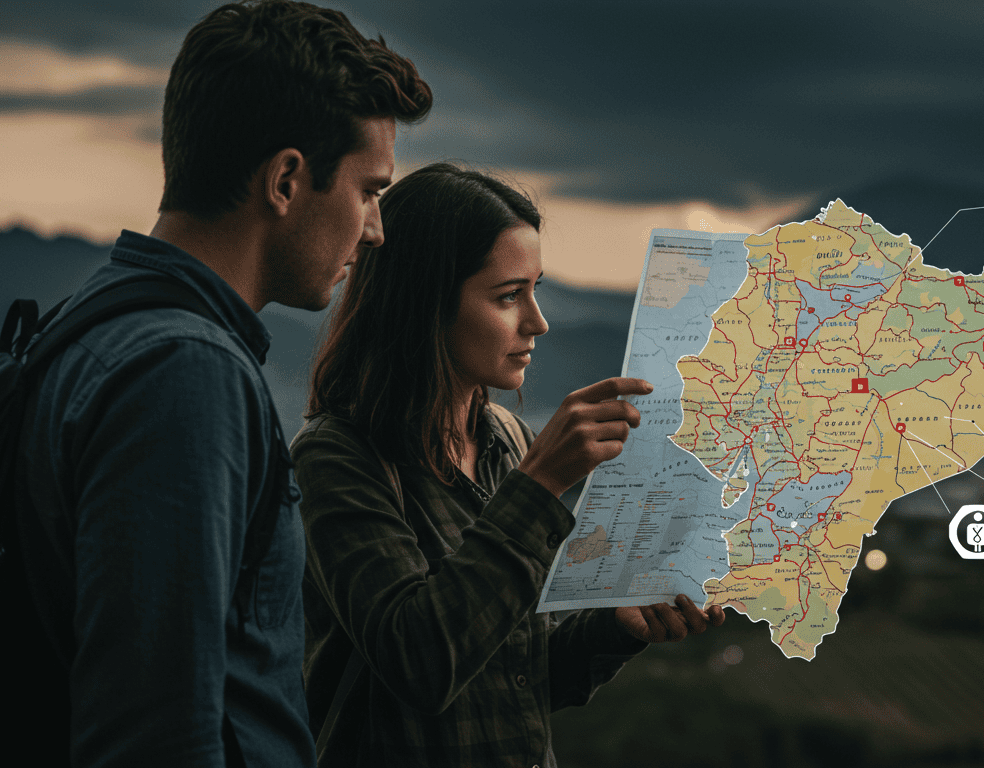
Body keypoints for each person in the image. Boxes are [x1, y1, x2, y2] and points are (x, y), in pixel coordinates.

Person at [14, 1, 431, 764]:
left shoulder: (94, 320)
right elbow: (154, 732)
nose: (375, 229)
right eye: (370, 192)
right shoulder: (183, 377)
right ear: (285, 180)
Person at [293, 162, 726, 767]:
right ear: (425, 303)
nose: (538, 322)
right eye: (507, 296)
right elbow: (421, 662)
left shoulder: (505, 439)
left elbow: (518, 679)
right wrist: (542, 482)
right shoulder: (337, 458)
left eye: (536, 289)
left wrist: (615, 628)